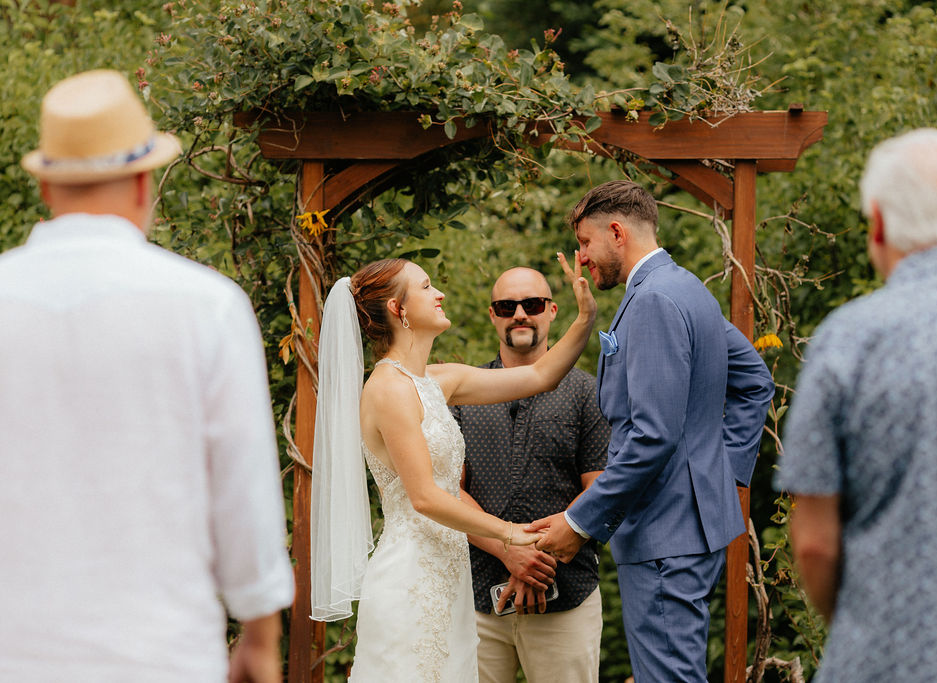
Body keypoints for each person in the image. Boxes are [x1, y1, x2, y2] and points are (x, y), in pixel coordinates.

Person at [0, 70, 294, 682]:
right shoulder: (206, 306)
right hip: (162, 652)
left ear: (47, 188)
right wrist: (260, 635)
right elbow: (242, 490)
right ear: (143, 184)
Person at [775, 128, 937, 681]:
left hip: (877, 662)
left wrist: (867, 627)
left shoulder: (847, 341)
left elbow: (814, 544)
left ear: (879, 224)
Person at [528, 180, 775, 682]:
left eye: (584, 243)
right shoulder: (686, 288)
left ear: (616, 231)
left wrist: (579, 523)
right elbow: (756, 382)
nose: (580, 259)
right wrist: (716, 476)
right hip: (689, 527)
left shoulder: (653, 301)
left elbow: (652, 435)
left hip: (664, 530)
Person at [310, 254, 596, 681]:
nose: (439, 293)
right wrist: (511, 533)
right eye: (426, 287)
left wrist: (585, 317)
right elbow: (425, 497)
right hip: (409, 580)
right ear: (398, 308)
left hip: (450, 580)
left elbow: (540, 376)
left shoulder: (436, 380)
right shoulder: (388, 389)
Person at [451, 267, 610, 683]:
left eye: (532, 304)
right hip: (475, 599)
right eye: (507, 306)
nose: (519, 314)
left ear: (553, 311)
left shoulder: (587, 393)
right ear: (493, 315)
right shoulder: (464, 394)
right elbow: (451, 491)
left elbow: (599, 488)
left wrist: (534, 559)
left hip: (566, 597)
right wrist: (508, 551)